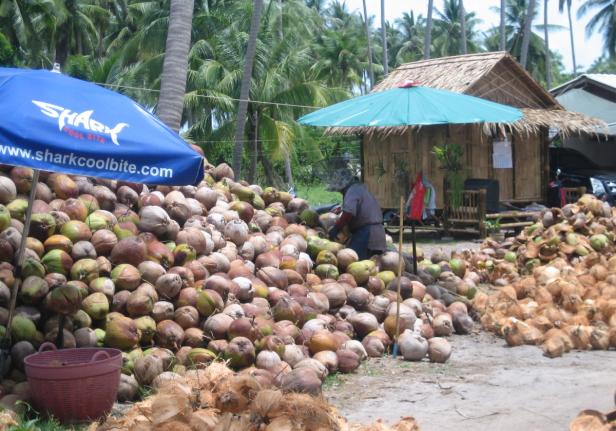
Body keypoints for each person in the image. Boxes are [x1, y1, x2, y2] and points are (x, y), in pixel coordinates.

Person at [326, 168, 387, 260]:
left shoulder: (352, 191)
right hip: (376, 232)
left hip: (367, 234)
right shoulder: (359, 189)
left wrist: (336, 228)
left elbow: (348, 213)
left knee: (353, 262)